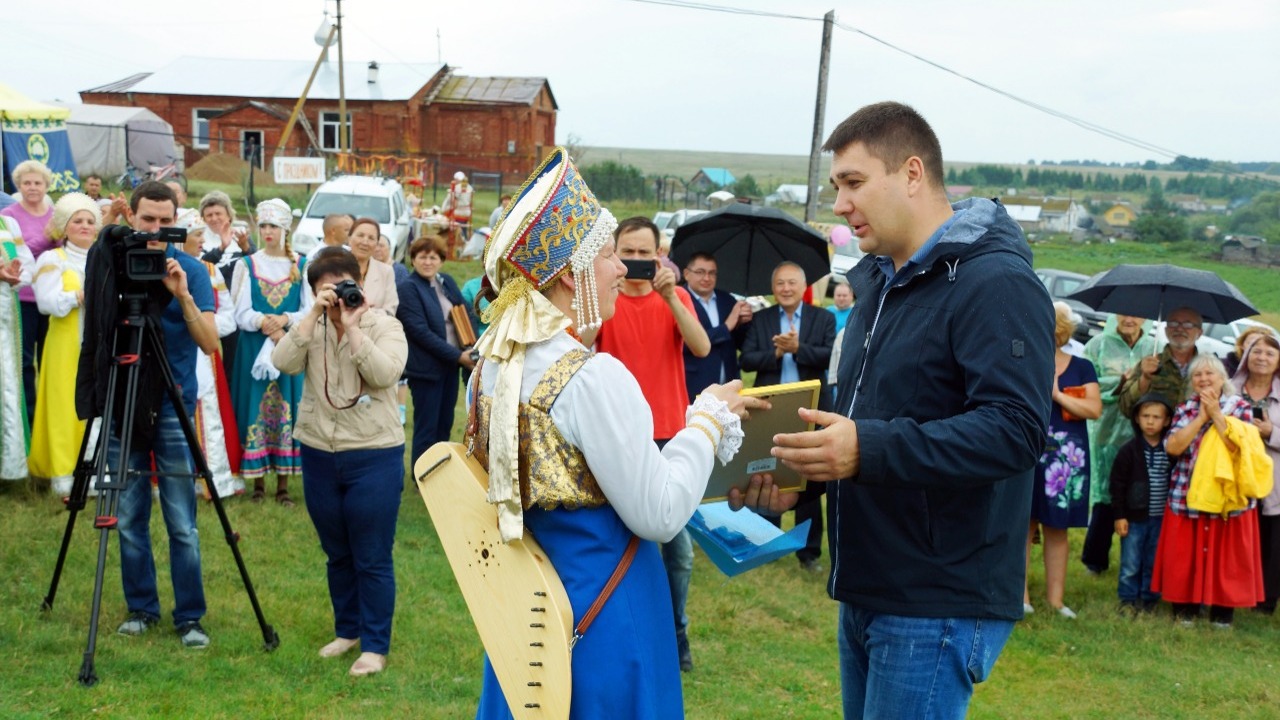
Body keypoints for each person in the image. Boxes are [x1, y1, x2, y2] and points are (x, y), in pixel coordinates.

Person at [741, 102, 1054, 719]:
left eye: (853, 182)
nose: (839, 204)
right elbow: (866, 414)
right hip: (869, 583)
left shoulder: (995, 282)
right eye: (837, 186)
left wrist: (865, 448)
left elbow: (1015, 430)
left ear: (912, 173)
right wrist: (797, 474)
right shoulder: (880, 284)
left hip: (936, 597)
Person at [468, 147, 756, 717]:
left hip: (528, 616)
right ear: (568, 274)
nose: (622, 269)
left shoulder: (490, 365)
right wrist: (705, 421)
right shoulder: (590, 376)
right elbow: (659, 513)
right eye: (606, 255)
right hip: (606, 615)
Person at [77, 181, 219, 648]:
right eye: (147, 220)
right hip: (123, 397)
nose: (156, 230)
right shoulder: (112, 265)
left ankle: (190, 617)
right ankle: (141, 608)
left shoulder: (192, 269)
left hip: (173, 400)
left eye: (165, 221)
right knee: (128, 513)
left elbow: (211, 344)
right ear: (131, 218)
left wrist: (182, 296)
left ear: (177, 222)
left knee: (181, 519)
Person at [271, 246, 408, 677]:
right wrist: (313, 315)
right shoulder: (308, 325)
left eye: (343, 285)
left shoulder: (385, 325)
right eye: (325, 289)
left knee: (371, 554)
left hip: (373, 452)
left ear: (359, 284)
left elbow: (385, 374)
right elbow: (282, 362)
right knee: (337, 552)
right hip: (319, 450)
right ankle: (347, 631)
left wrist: (352, 328)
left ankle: (375, 645)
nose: (336, 295)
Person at [595, 214, 711, 673]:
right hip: (618, 433)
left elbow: (701, 347)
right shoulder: (606, 298)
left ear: (660, 255)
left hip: (668, 432)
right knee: (620, 541)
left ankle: (676, 630)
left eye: (646, 252)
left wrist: (670, 296)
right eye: (628, 251)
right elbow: (581, 344)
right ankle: (628, 630)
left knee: (678, 549)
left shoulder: (675, 296)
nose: (637, 260)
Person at [1154, 354, 1267, 628]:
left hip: (1228, 497)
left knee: (1227, 560)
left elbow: (1239, 450)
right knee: (1185, 558)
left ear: (1222, 378)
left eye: (1209, 374)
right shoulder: (1185, 409)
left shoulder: (1240, 407)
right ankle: (1185, 610)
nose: (1204, 379)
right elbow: (1173, 447)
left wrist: (1216, 414)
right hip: (1187, 493)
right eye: (1197, 375)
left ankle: (1222, 613)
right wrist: (1200, 418)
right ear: (1191, 381)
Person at [740, 260, 836, 574]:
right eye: (780, 283)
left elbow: (830, 356)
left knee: (809, 478)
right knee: (770, 472)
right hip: (772, 408)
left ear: (803, 286)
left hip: (810, 408)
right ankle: (766, 542)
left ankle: (808, 551)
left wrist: (798, 348)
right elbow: (748, 360)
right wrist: (777, 354)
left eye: (792, 282)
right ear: (773, 287)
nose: (785, 288)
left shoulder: (823, 318)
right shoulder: (762, 319)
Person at [230, 199, 311, 505]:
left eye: (273, 226)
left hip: (288, 346)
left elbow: (309, 309)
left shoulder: (301, 265)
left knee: (287, 405)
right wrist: (264, 322)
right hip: (254, 348)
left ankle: (283, 485)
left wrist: (285, 321)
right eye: (263, 225)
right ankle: (258, 482)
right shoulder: (247, 264)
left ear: (284, 229)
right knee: (255, 406)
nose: (267, 231)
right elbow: (239, 311)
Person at [1027, 302, 1101, 618]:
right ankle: (1021, 598)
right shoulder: (1025, 363)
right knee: (1023, 526)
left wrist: (1057, 395)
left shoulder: (1082, 367)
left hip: (1065, 462)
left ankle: (1056, 601)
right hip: (1028, 452)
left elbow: (1094, 409)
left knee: (1058, 529)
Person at [29, 194, 99, 497]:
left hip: (98, 343)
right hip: (64, 345)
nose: (84, 226)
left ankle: (94, 472)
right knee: (65, 405)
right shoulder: (52, 260)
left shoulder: (104, 259)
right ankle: (64, 475)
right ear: (64, 226)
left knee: (96, 404)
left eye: (90, 221)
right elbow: (45, 303)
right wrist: (77, 297)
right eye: (77, 220)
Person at [1080, 315, 1155, 574]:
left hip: (1141, 434)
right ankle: (1095, 559)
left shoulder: (1154, 348)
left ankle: (1134, 561)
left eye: (1135, 314)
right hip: (1106, 430)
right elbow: (1084, 385)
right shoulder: (1097, 345)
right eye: (1124, 313)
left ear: (1144, 319)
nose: (1129, 319)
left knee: (1137, 495)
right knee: (1105, 495)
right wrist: (1122, 381)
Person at [180, 218, 243, 499]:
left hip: (205, 351)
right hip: (173, 349)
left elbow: (229, 315)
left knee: (209, 413)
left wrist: (202, 325)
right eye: (197, 235)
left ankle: (214, 479)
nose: (203, 241)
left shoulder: (210, 270)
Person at [397, 236, 474, 462]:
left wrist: (472, 347)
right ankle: (421, 475)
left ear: (441, 260)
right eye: (422, 257)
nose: (428, 262)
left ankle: (440, 474)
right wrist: (458, 356)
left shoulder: (446, 281)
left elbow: (465, 311)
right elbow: (420, 332)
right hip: (426, 370)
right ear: (413, 259)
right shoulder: (408, 288)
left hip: (450, 367)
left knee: (444, 425)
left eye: (433, 257)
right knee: (427, 429)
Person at [1229, 331, 1280, 614]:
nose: (1262, 358)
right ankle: (1232, 594)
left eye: (1270, 353)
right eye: (1257, 352)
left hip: (1274, 480)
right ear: (1246, 356)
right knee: (1236, 537)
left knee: (1272, 541)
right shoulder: (1230, 389)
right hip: (1235, 475)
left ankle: (1266, 601)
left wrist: (1272, 432)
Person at [1, 159, 55, 423]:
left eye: (37, 183)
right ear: (18, 186)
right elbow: (20, 255)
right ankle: (28, 418)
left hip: (52, 297)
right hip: (23, 298)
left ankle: (48, 417)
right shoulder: (9, 216)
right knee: (24, 361)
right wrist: (46, 237)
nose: (32, 187)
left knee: (49, 359)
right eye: (26, 183)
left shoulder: (55, 213)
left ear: (46, 186)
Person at [1109, 393, 1173, 613]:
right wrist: (1119, 515)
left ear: (1167, 420)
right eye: (1146, 416)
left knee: (1153, 560)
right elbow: (1117, 485)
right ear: (1137, 418)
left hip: (1161, 518)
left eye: (1156, 417)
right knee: (1131, 561)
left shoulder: (1170, 449)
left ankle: (1149, 598)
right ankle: (1127, 599)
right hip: (1134, 519)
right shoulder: (1129, 450)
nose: (1150, 421)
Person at [681, 251, 751, 403]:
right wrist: (726, 327)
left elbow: (739, 341)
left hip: (729, 382)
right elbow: (685, 343)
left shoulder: (727, 300)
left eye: (712, 273)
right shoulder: (679, 301)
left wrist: (743, 322)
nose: (707, 278)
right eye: (700, 272)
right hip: (694, 384)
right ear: (686, 274)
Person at [0, 214, 35, 482]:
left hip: (5, 317)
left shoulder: (7, 224)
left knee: (7, 385)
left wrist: (16, 276)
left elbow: (27, 264)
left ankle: (8, 465)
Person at [1119, 307, 1203, 416]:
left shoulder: (1207, 369)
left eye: (1187, 324)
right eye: (1173, 323)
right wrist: (1145, 378)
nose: (1179, 329)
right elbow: (1125, 408)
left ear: (1200, 333)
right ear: (1166, 330)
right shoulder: (1150, 364)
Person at [347, 218, 399, 315]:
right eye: (360, 235)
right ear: (349, 239)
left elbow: (390, 311)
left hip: (375, 324)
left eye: (371, 238)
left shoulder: (386, 271)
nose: (365, 242)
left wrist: (363, 313)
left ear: (376, 244)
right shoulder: (334, 267)